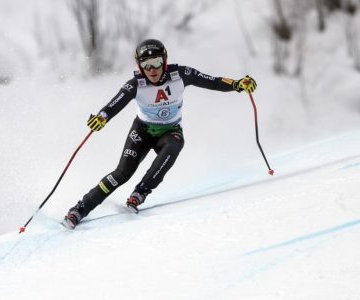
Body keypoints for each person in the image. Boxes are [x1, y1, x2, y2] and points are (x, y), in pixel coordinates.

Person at [62, 39, 257, 229]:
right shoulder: (135, 84)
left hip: (170, 130)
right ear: (139, 66)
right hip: (142, 131)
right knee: (122, 174)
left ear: (164, 61)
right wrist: (101, 118)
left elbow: (213, 82)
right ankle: (80, 209)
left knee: (174, 146)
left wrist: (238, 84)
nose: (152, 70)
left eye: (156, 62)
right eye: (146, 65)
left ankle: (141, 192)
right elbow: (114, 104)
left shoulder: (180, 74)